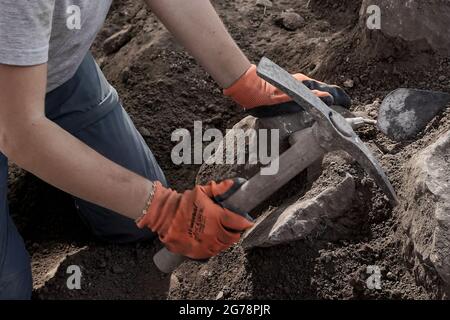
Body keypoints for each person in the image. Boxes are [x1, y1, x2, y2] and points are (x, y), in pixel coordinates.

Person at [0, 0, 350, 299]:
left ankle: (55, 167)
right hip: (16, 113)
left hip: (54, 72)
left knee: (132, 221)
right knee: (10, 285)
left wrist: (245, 80)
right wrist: (163, 207)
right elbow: (19, 132)